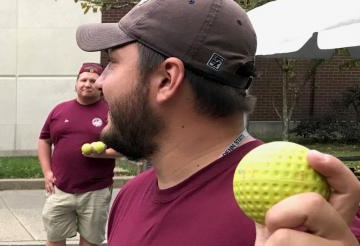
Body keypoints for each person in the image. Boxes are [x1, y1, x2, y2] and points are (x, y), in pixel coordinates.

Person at [75, 0, 360, 245]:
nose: (99, 81)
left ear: (166, 79)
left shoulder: (306, 211)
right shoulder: (130, 196)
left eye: (112, 62)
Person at [37, 62, 121, 246]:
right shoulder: (59, 110)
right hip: (59, 188)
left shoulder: (112, 112)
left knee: (90, 242)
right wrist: (47, 172)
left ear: (101, 86)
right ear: (76, 84)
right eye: (83, 79)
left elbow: (124, 148)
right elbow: (44, 140)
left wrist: (103, 154)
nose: (87, 84)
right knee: (54, 240)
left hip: (96, 191)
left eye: (93, 80)